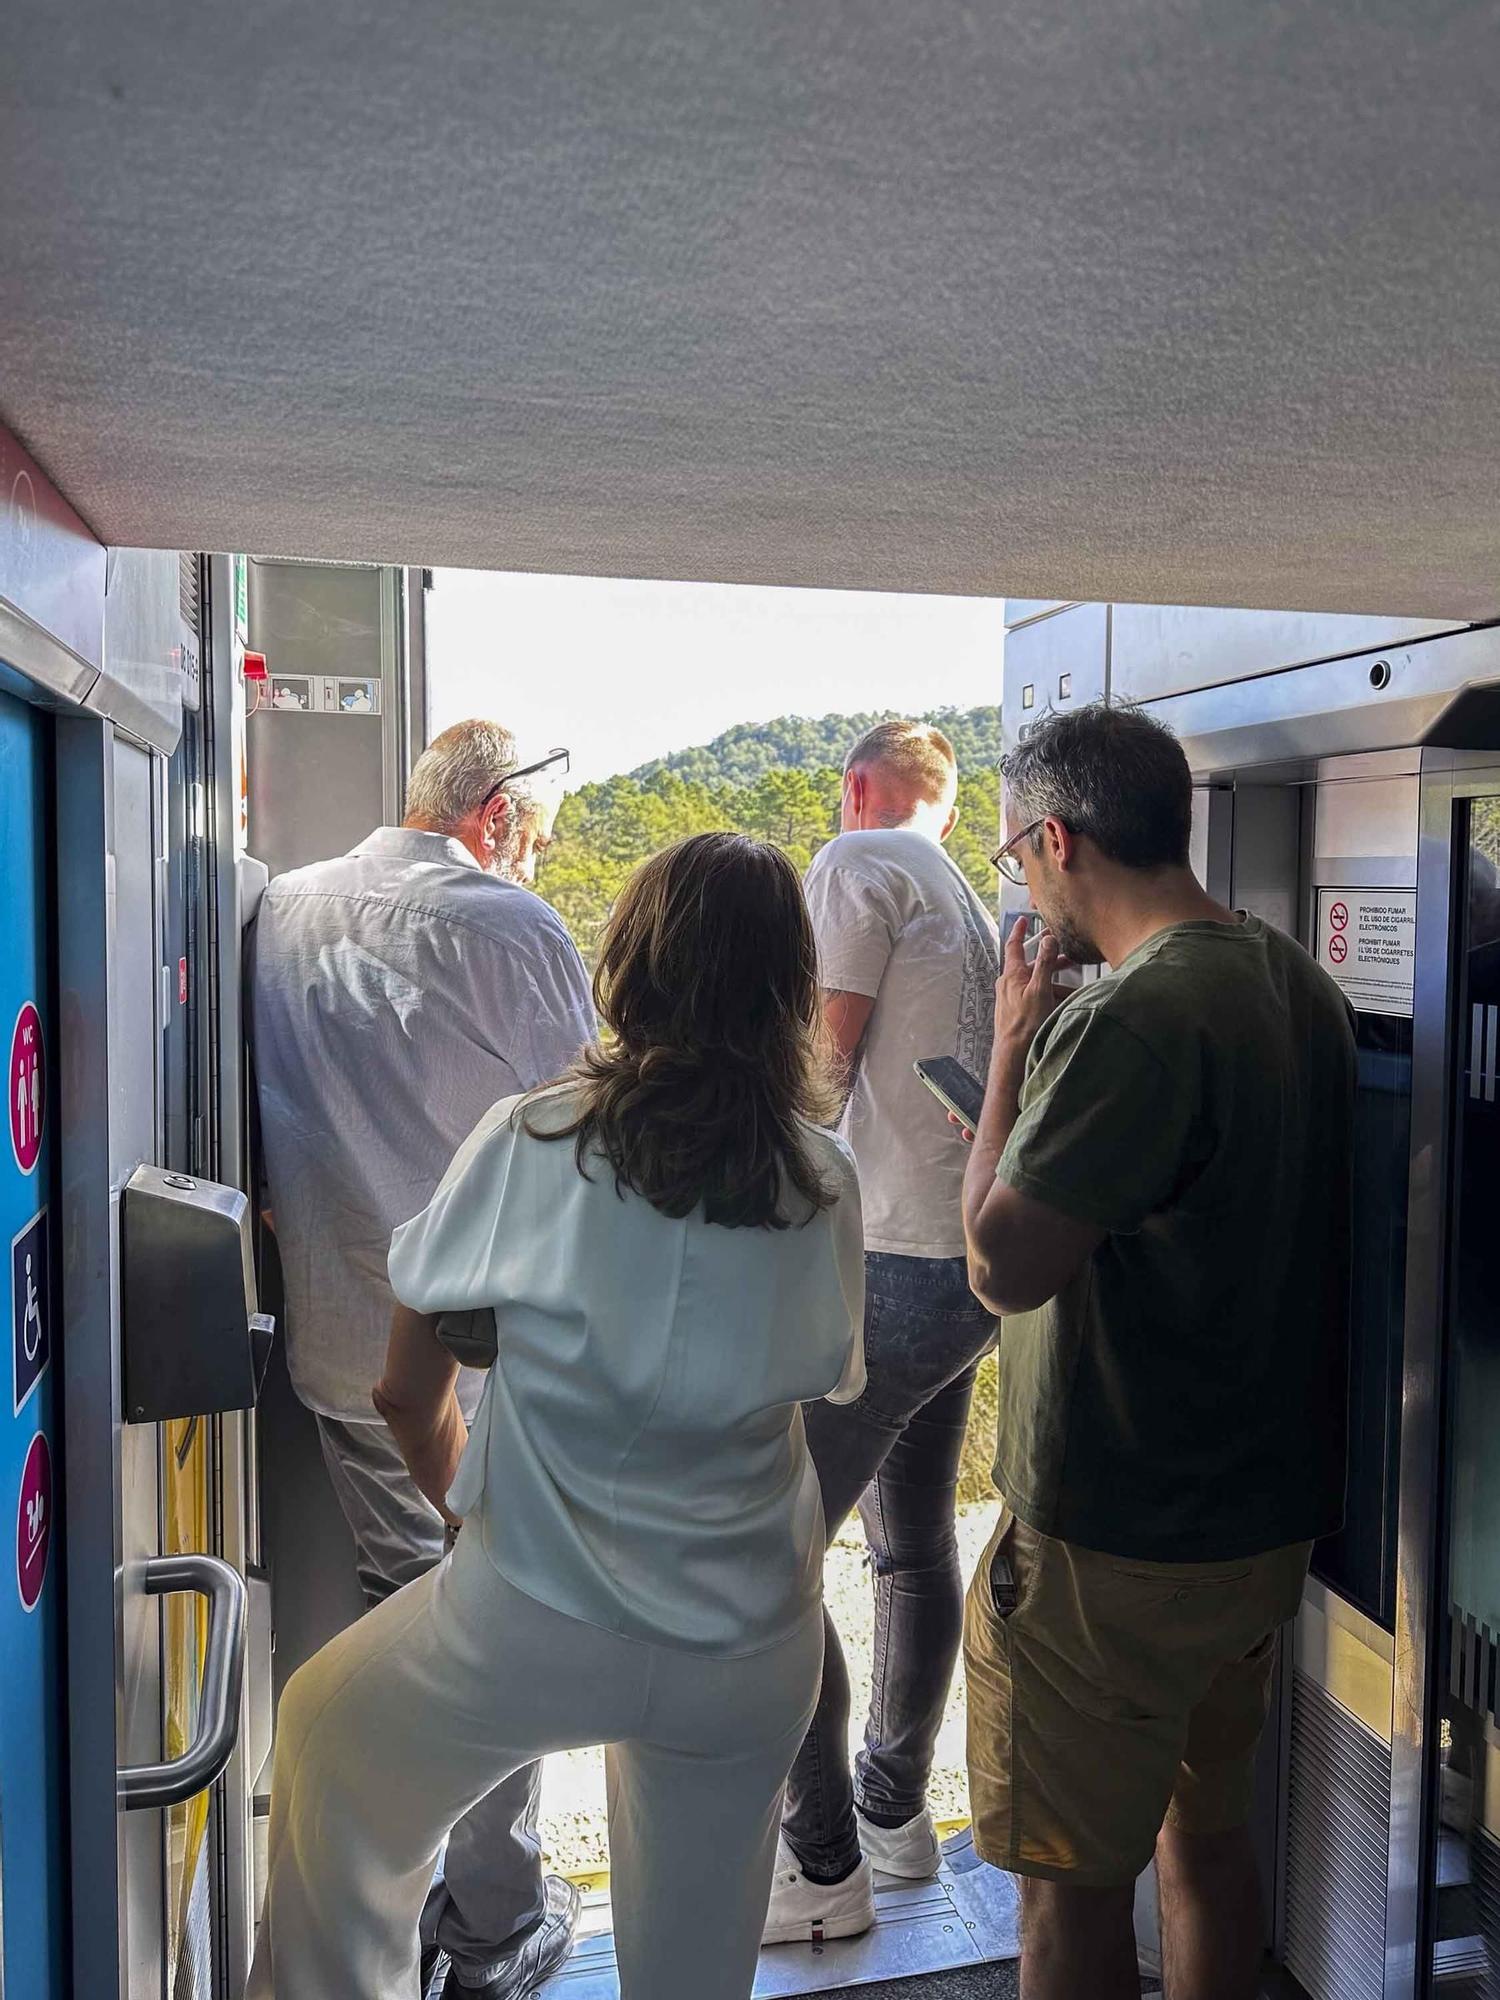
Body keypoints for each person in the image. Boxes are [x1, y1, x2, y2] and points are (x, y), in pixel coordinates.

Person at [246, 833, 867, 2000]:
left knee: (330, 1744)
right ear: (788, 987)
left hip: (530, 1608)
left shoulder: (538, 1138)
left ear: (631, 962)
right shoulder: (824, 1179)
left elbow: (403, 1391)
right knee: (691, 1963)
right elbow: (821, 1380)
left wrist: (471, 1506)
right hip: (744, 1641)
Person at [959, 702, 1355, 2000]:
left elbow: (1001, 1266)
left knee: (1066, 1895)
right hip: (1255, 1525)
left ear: (1058, 840)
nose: (1024, 879)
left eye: (1019, 853)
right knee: (1209, 1836)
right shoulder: (1293, 981)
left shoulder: (1127, 1018)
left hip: (1111, 1545)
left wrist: (1015, 1043)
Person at [248, 720, 595, 1999]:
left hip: (340, 1345)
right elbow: (596, 1135)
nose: (536, 864)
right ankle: (494, 1918)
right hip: (488, 1369)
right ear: (497, 813)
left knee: (415, 1609)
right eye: (538, 841)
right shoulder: (508, 927)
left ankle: (414, 1896)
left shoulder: (281, 907)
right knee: (496, 1626)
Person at [765, 721, 1001, 1943]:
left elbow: (824, 1062)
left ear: (858, 789)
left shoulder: (854, 863)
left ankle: (822, 1863)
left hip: (890, 1262)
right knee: (910, 1544)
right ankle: (897, 1816)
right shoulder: (967, 887)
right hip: (964, 1265)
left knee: (769, 1555)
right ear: (944, 805)